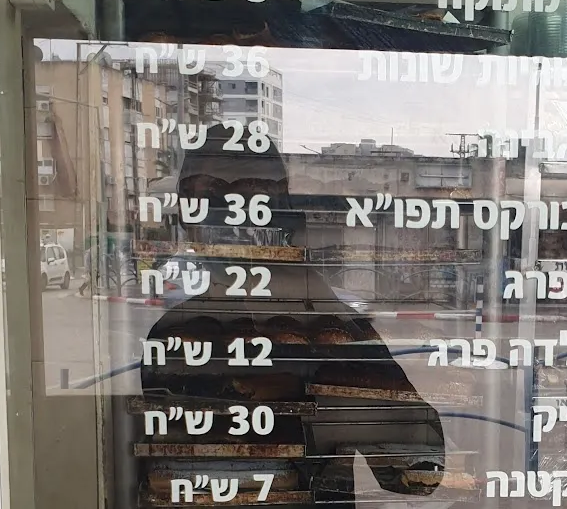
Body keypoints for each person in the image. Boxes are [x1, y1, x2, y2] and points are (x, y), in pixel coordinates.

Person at [140, 126, 446, 506]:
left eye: (251, 196)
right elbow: (156, 462)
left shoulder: (329, 323)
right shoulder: (173, 333)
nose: (230, 213)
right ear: (186, 212)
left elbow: (416, 469)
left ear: (278, 205)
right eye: (207, 196)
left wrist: (329, 406)